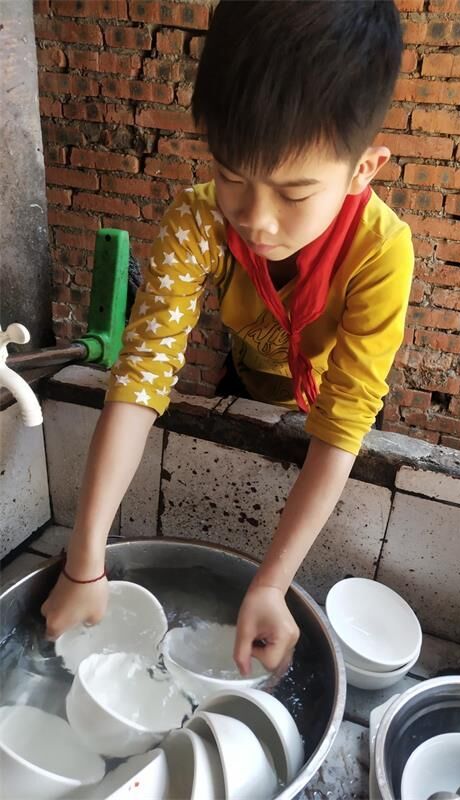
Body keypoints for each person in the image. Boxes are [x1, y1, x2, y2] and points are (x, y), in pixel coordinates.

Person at [41, 0, 414, 677]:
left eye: (294, 194)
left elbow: (342, 424)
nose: (258, 220)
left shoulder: (381, 252)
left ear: (365, 168)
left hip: (329, 399)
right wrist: (85, 558)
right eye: (232, 176)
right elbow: (141, 377)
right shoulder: (199, 220)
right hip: (247, 376)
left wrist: (271, 584)